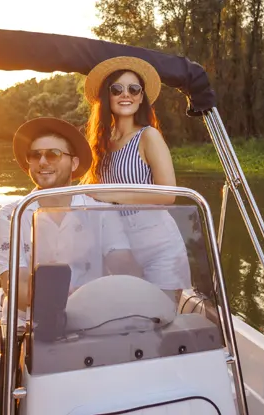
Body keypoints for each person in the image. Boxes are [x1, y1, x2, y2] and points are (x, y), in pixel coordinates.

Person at [0, 117, 140, 415]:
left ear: (74, 163)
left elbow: (124, 265)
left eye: (52, 154)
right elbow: (18, 288)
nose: (42, 161)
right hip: (24, 329)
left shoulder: (98, 208)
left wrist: (131, 290)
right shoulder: (11, 215)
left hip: (94, 323)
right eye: (35, 155)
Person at [81, 56, 192, 300]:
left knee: (158, 317)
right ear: (107, 96)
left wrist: (110, 194)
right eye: (117, 89)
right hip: (118, 247)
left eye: (134, 89)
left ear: (141, 97)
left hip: (158, 245)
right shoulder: (101, 144)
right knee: (128, 315)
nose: (126, 94)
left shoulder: (148, 136)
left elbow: (168, 195)